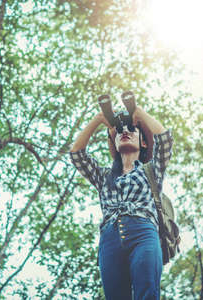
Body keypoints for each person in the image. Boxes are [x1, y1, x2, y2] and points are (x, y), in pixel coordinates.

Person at [69, 105, 173, 300]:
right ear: (114, 144)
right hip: (110, 240)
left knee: (147, 293)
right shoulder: (103, 176)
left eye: (131, 130)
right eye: (119, 132)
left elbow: (165, 139)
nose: (125, 132)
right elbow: (77, 154)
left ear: (143, 142)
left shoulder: (152, 171)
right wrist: (100, 118)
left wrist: (139, 113)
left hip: (144, 233)